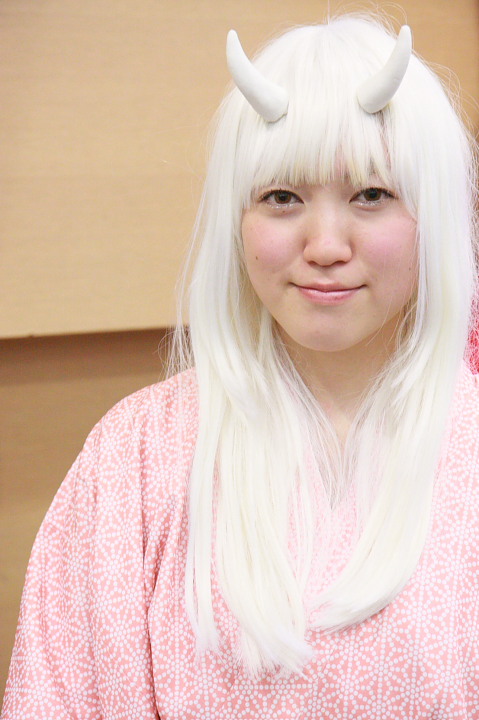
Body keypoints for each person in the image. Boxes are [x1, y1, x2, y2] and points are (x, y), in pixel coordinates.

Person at [2, 12, 478, 720]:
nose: (325, 245)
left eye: (371, 194)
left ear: (433, 215)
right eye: (281, 197)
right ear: (237, 221)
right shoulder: (133, 456)